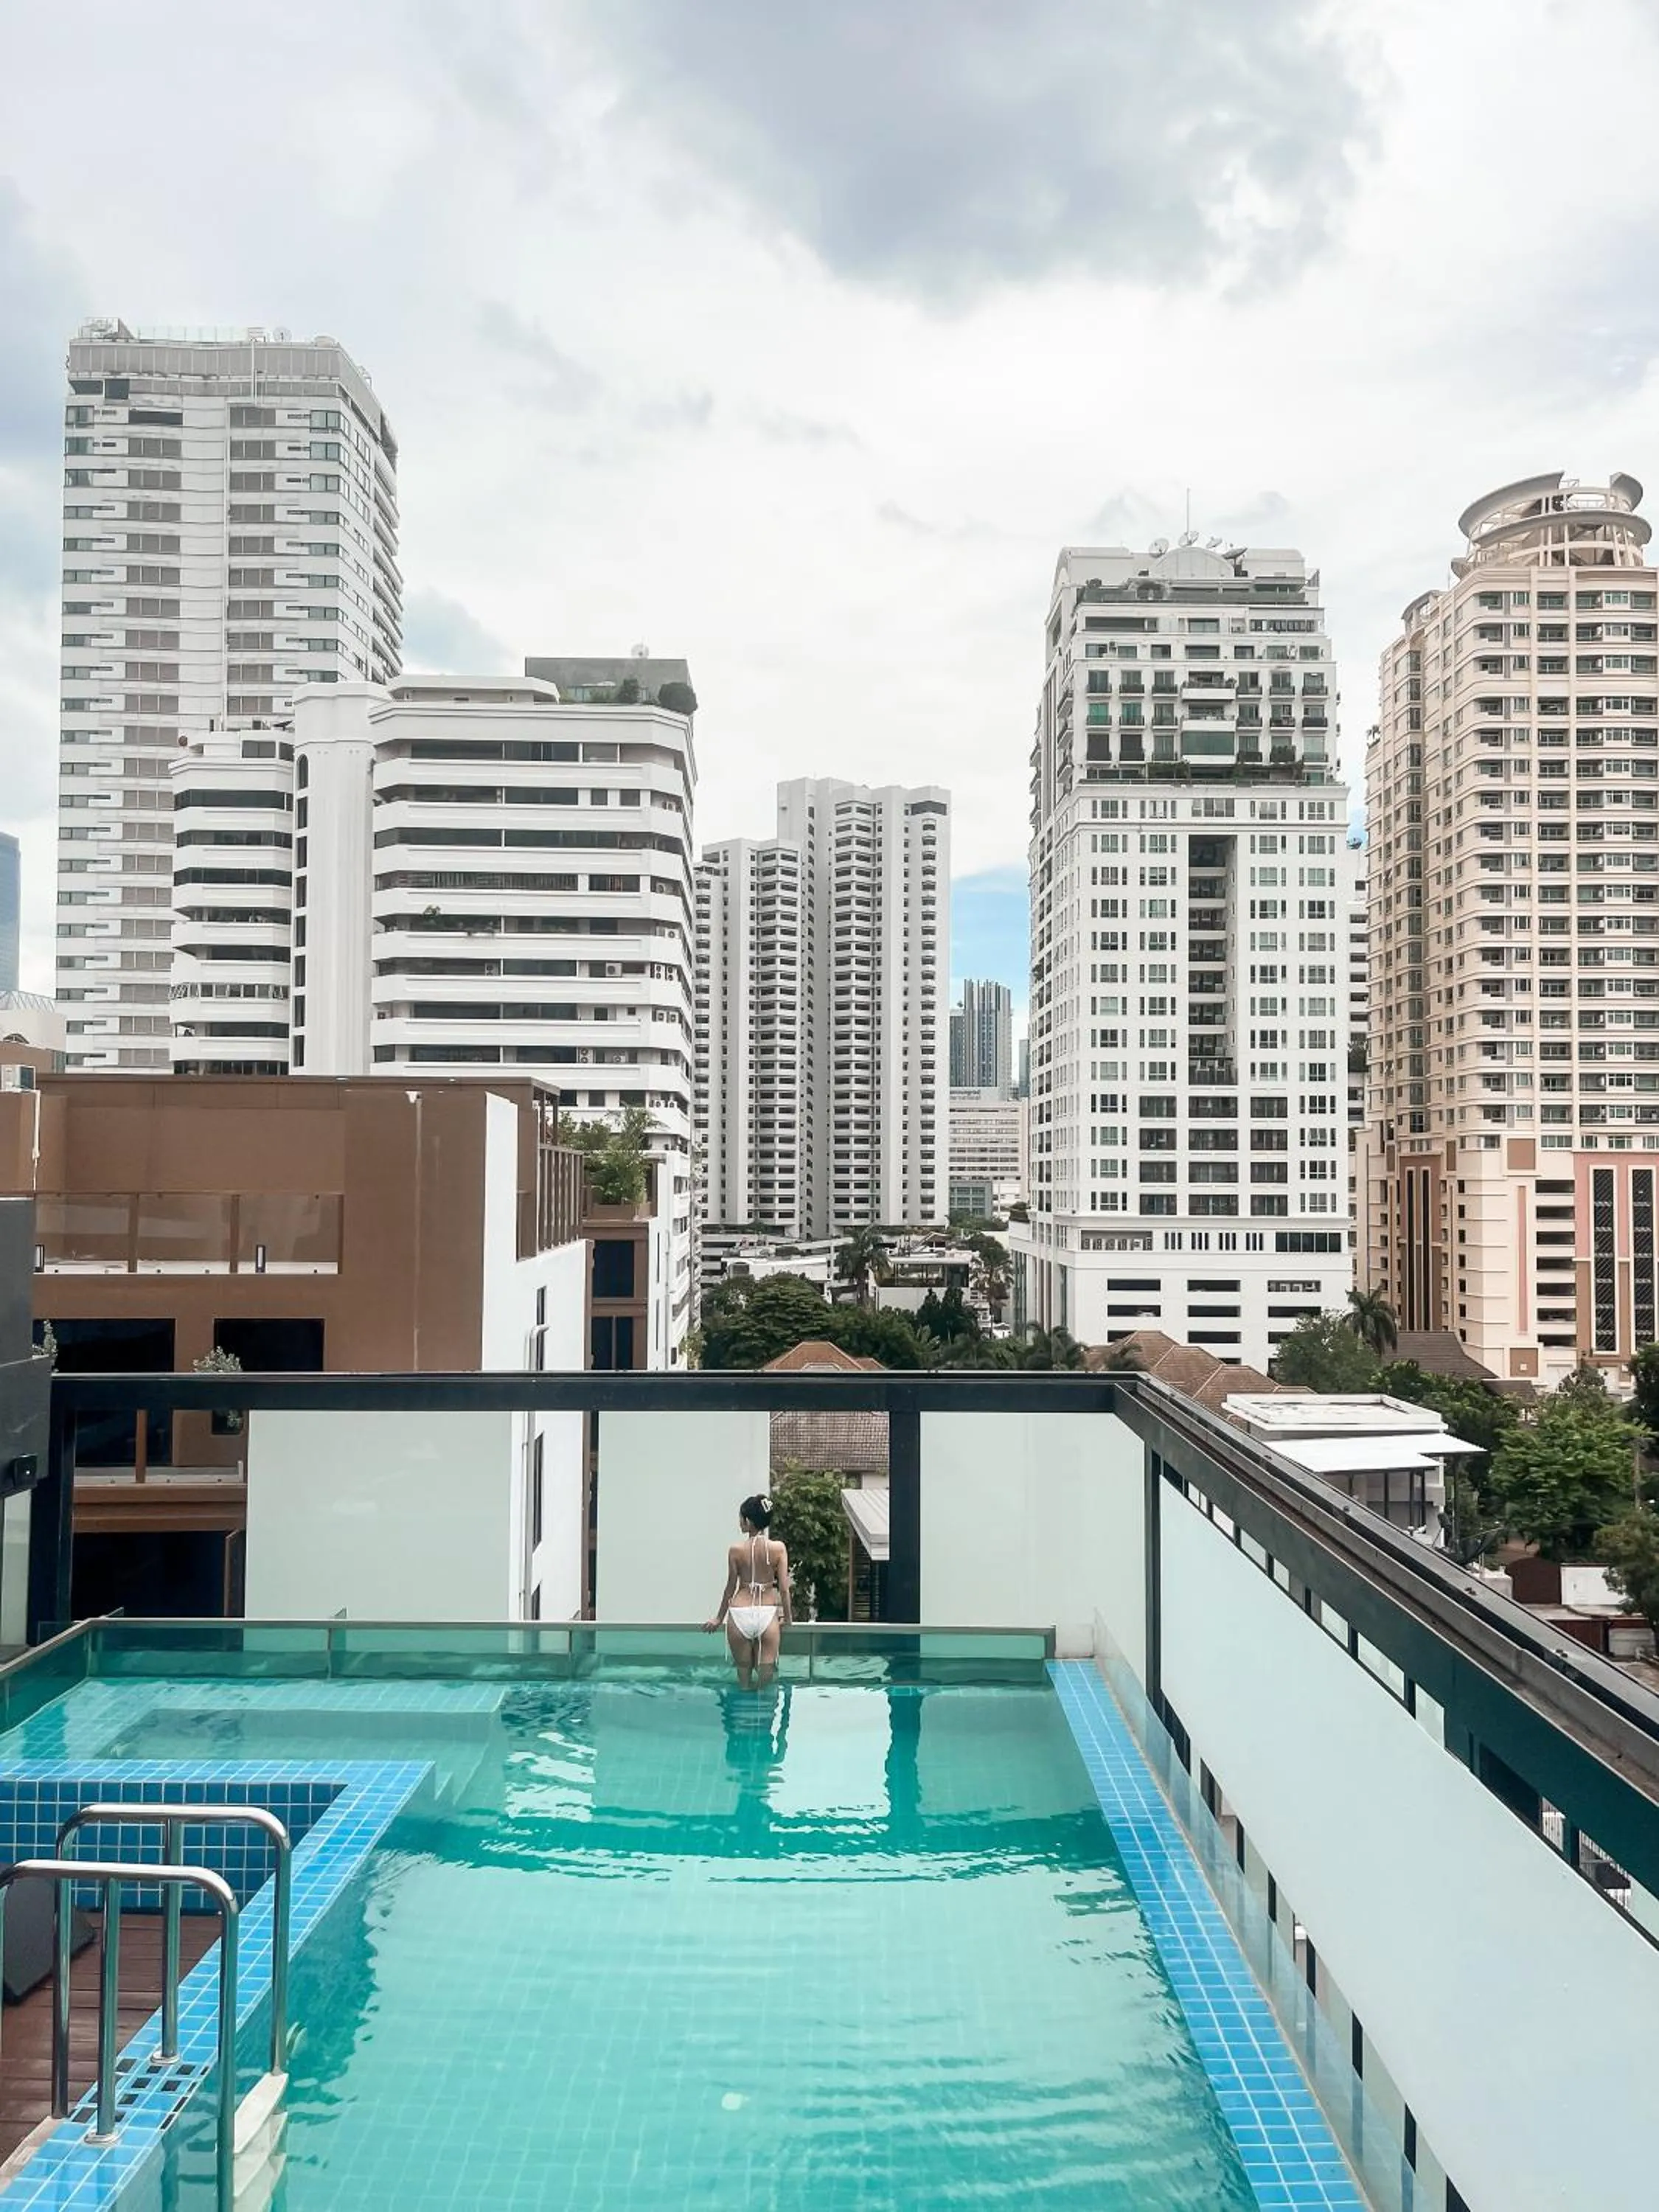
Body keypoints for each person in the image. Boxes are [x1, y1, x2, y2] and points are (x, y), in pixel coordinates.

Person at [705, 1493, 791, 1688]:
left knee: (743, 1681)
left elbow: (730, 1588)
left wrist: (718, 1618)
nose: (740, 1522)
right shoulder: (778, 1548)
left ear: (749, 1521)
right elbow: (784, 1589)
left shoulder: (735, 1550)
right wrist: (788, 1617)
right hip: (767, 1612)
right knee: (765, 1684)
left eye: (742, 1518)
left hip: (739, 1611)